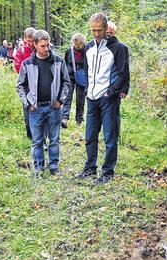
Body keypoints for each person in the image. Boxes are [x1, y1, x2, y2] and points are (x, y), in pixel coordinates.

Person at [76, 12, 130, 184]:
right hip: (91, 98)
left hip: (108, 99)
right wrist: (87, 91)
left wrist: (111, 92)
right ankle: (90, 168)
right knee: (90, 136)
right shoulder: (88, 47)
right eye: (93, 30)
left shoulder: (118, 48)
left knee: (110, 137)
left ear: (106, 28)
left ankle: (107, 172)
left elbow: (123, 74)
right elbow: (86, 71)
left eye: (99, 30)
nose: (97, 34)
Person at [16, 30, 71, 177]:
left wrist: (60, 100)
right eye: (42, 46)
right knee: (37, 141)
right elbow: (20, 85)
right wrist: (28, 103)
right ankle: (38, 167)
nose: (46, 49)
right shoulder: (27, 64)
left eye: (48, 45)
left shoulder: (58, 61)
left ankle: (54, 166)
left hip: (54, 107)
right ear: (34, 45)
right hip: (36, 108)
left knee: (54, 139)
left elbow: (66, 82)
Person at [14, 27, 36, 140]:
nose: (31, 44)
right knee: (27, 109)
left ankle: (40, 136)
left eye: (33, 41)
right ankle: (30, 136)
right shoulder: (21, 51)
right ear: (24, 39)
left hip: (38, 84)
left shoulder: (39, 48)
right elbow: (17, 67)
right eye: (29, 41)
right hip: (26, 85)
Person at [62, 33, 87, 128]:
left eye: (79, 45)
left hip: (82, 78)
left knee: (80, 100)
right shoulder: (69, 51)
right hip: (70, 77)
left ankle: (79, 120)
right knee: (67, 97)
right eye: (75, 45)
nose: (77, 47)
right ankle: (64, 118)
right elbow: (65, 64)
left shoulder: (87, 51)